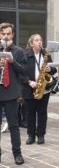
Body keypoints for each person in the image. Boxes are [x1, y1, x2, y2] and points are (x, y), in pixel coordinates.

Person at [20, 34, 56, 145]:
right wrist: (29, 82)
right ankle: (31, 135)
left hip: (43, 88)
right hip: (29, 88)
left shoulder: (46, 54)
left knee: (42, 112)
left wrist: (50, 68)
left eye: (40, 40)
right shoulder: (25, 55)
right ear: (31, 44)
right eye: (36, 40)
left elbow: (54, 69)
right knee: (30, 113)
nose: (39, 42)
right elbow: (20, 73)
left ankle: (41, 135)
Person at [0, 22, 27, 165]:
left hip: (11, 94)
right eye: (3, 34)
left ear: (13, 35)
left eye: (8, 34)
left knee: (14, 126)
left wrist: (12, 61)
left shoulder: (18, 51)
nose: (5, 37)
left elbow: (24, 71)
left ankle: (17, 153)